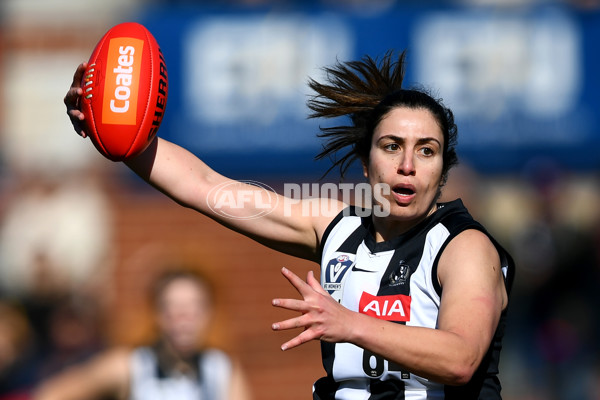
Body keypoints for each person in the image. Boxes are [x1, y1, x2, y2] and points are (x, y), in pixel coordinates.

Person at [64, 50, 515, 399]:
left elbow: (461, 358)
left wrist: (352, 324)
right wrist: (118, 133)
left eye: (426, 150)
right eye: (392, 146)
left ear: (442, 168)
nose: (407, 166)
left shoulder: (464, 247)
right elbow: (204, 187)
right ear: (365, 162)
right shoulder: (336, 227)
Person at [32, 269, 252, 400]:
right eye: (174, 307)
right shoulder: (130, 365)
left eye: (194, 307)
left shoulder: (222, 369)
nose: (185, 317)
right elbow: (52, 394)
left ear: (209, 314)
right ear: (158, 314)